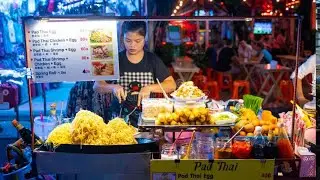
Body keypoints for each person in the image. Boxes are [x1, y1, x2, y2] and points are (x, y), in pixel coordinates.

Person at [93, 21, 176, 126]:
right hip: (119, 119)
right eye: (128, 40)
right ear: (122, 38)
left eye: (138, 41)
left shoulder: (152, 60)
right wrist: (113, 87)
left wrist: (150, 88)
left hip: (147, 118)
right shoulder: (116, 60)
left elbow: (171, 85)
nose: (132, 45)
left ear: (144, 39)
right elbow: (97, 85)